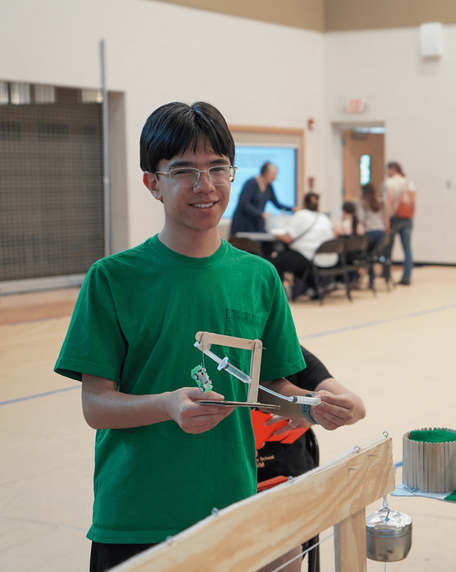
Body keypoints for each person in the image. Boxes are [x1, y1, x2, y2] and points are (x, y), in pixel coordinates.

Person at [52, 101, 327, 572]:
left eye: (218, 168)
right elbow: (96, 406)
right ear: (152, 183)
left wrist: (315, 406)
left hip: (231, 508)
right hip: (136, 517)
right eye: (184, 171)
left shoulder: (259, 277)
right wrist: (166, 405)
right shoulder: (113, 279)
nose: (206, 186)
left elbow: (270, 389)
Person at [252, 346, 366, 572]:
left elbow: (357, 407)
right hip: (235, 483)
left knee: (282, 547)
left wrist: (314, 413)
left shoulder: (290, 354)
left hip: (286, 482)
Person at [270, 192, 336, 299]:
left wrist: (274, 233)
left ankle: (277, 296)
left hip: (308, 256)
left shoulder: (301, 215)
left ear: (304, 203)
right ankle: (315, 288)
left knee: (275, 262)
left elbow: (288, 238)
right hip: (327, 258)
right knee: (297, 264)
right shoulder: (324, 217)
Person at [229, 161, 294, 256]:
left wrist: (292, 209)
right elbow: (243, 204)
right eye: (273, 173)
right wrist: (261, 213)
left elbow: (277, 204)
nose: (275, 176)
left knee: (267, 248)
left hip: (257, 224)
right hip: (244, 223)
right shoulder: (251, 184)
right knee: (245, 251)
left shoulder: (269, 186)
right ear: (265, 173)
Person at [383, 161, 415, 285]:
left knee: (388, 247)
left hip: (395, 218)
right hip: (408, 218)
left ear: (392, 169)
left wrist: (387, 220)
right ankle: (407, 277)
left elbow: (390, 202)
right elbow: (414, 202)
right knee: (407, 249)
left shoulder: (391, 183)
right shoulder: (409, 182)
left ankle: (386, 275)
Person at [355, 183, 386, 287]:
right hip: (381, 233)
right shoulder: (378, 202)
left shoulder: (362, 202)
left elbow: (361, 218)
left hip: (370, 232)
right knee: (372, 255)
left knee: (365, 255)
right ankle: (373, 279)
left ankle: (360, 279)